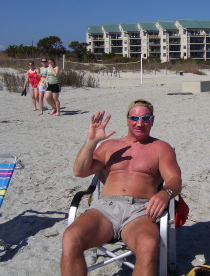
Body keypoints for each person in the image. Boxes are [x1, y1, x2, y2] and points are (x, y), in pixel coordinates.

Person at [61, 99, 182, 276]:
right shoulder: (110, 146)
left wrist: (166, 193)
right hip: (105, 209)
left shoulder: (161, 148)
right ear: (127, 119)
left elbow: (175, 180)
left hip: (141, 211)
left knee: (148, 246)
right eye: (134, 118)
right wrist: (91, 141)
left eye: (145, 118)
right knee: (71, 238)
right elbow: (79, 171)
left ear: (153, 120)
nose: (140, 123)